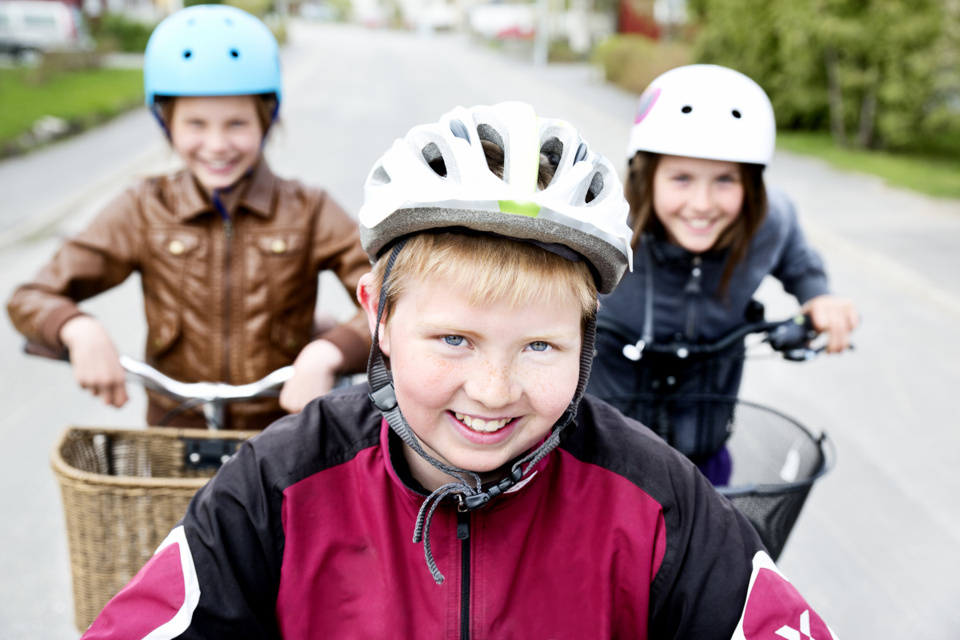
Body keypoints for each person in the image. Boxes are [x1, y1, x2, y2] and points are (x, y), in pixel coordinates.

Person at [77, 102, 839, 639]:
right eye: (452, 340)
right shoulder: (279, 485)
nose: (493, 392)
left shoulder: (655, 498)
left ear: (586, 339)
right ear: (376, 313)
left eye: (540, 347)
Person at [6, 5, 371, 430]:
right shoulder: (144, 207)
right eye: (196, 124)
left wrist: (330, 350)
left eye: (236, 124)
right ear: (167, 124)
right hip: (176, 434)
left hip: (281, 433)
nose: (216, 145)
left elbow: (393, 298)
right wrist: (76, 327)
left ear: (267, 119)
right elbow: (30, 296)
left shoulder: (308, 209)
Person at [587, 64, 859, 483]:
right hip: (599, 455)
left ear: (751, 186)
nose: (702, 203)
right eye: (681, 178)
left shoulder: (770, 221)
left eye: (725, 181)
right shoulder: (601, 225)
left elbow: (798, 258)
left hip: (704, 452)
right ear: (647, 176)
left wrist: (817, 295)